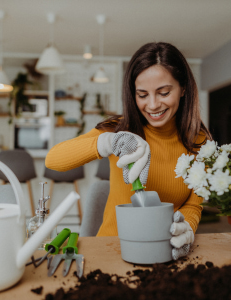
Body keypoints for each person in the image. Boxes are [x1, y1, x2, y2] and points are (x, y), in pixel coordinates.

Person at [45, 42, 211, 260]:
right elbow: (53, 160)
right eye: (142, 95)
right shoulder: (120, 130)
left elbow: (193, 204)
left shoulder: (199, 141)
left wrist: (186, 228)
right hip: (110, 250)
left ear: (183, 89)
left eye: (163, 92)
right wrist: (107, 142)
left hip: (165, 253)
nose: (152, 105)